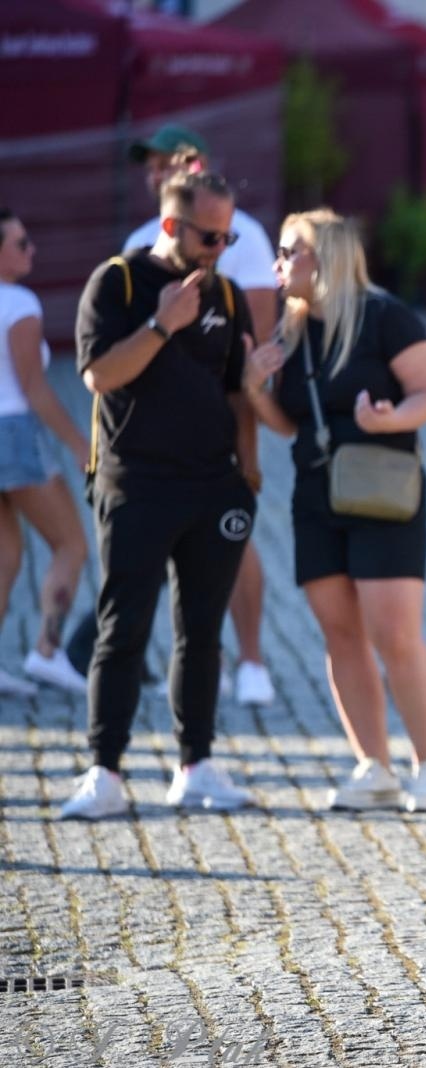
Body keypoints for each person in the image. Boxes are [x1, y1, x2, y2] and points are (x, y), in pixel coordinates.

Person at [63, 170, 260, 819]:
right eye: (210, 235)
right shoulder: (116, 283)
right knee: (123, 630)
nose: (220, 248)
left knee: (201, 634)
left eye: (228, 235)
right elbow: (97, 374)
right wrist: (161, 323)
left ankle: (195, 766)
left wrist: (247, 473)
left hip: (212, 488)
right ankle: (105, 772)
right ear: (171, 226)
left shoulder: (228, 296)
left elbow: (236, 392)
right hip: (136, 485)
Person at [241, 210, 426, 813]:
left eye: (289, 251)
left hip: (385, 489)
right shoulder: (294, 328)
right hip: (316, 493)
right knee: (340, 633)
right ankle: (373, 766)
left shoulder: (385, 316)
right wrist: (255, 389)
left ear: (324, 255)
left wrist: (391, 419)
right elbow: (290, 425)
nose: (278, 264)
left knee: (395, 634)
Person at [125, 123, 277, 706]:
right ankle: (186, 661)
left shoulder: (246, 236)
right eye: (151, 164)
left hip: (221, 413)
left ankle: (253, 660)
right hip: (156, 422)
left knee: (232, 535)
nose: (157, 172)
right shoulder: (139, 239)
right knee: (166, 544)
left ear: (201, 165)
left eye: (171, 162)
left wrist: (250, 434)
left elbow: (256, 334)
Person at [0, 209, 90, 696]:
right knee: (71, 544)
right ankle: (47, 652)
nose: (31, 251)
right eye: (21, 243)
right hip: (12, 432)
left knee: (5, 555)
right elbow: (33, 388)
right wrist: (78, 443)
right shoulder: (18, 303)